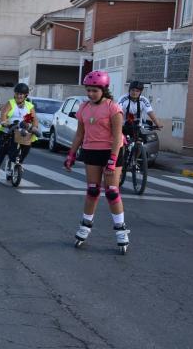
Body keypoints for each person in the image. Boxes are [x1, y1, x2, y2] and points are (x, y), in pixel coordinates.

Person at [63, 70, 130, 251]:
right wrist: (71, 154)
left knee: (112, 192)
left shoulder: (113, 108)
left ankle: (121, 229)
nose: (91, 94)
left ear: (104, 89)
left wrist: (112, 160)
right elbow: (79, 134)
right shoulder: (83, 108)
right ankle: (85, 226)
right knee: (92, 191)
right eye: (88, 90)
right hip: (91, 150)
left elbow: (117, 137)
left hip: (111, 150)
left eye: (95, 90)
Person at [0, 83, 38, 179]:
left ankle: (19, 163)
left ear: (25, 95)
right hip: (8, 129)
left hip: (23, 131)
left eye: (21, 94)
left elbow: (34, 119)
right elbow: (3, 114)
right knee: (2, 148)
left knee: (27, 146)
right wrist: (4, 122)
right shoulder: (10, 103)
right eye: (17, 93)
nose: (19, 96)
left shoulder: (29, 106)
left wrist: (35, 127)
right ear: (15, 94)